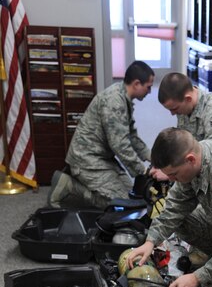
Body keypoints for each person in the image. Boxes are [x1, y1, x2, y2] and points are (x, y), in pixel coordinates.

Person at [125, 127, 212, 287]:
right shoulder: (195, 160)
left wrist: (198, 277)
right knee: (175, 216)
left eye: (174, 174)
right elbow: (174, 206)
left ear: (190, 159)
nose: (171, 179)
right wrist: (151, 241)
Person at [48, 61, 155, 209]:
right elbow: (120, 145)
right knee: (121, 204)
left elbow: (131, 136)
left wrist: (152, 157)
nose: (149, 92)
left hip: (102, 157)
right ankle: (69, 186)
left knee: (131, 194)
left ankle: (85, 184)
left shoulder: (123, 96)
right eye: (148, 87)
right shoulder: (114, 102)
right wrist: (143, 171)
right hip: (86, 160)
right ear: (137, 84)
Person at [150, 72, 212, 181]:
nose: (172, 114)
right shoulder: (184, 108)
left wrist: (170, 174)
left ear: (188, 99)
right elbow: (180, 144)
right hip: (192, 168)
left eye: (174, 109)